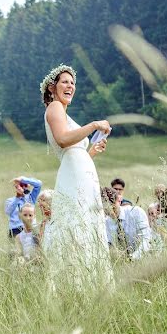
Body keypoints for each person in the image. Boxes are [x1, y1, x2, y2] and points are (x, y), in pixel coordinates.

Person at [40, 63, 113, 289]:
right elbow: (62, 139)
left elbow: (73, 152)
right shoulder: (54, 108)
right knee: (75, 224)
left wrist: (91, 152)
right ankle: (73, 284)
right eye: (65, 82)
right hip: (72, 177)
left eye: (73, 83)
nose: (70, 86)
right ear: (53, 87)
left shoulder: (63, 112)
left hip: (81, 174)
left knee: (86, 224)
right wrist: (93, 125)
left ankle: (89, 283)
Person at [103, 186, 158, 260]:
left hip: (143, 258)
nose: (111, 212)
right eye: (107, 209)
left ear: (119, 201)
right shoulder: (105, 222)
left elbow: (146, 239)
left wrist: (132, 258)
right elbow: (109, 246)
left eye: (113, 207)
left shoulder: (136, 212)